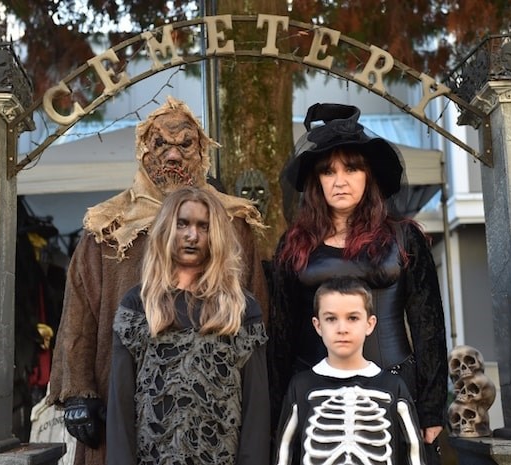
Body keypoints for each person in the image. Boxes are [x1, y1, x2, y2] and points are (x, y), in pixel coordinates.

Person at [47, 96, 268, 465]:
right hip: (115, 404)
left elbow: (256, 315)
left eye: (185, 145)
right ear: (142, 152)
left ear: (202, 153)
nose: (173, 156)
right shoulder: (108, 226)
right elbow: (78, 313)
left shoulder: (233, 224)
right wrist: (78, 391)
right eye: (160, 144)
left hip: (214, 411)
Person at [270, 102, 447, 464]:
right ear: (316, 181)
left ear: (368, 176)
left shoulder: (404, 238)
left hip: (396, 388)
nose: (340, 181)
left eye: (351, 168)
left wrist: (431, 410)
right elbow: (280, 334)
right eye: (328, 171)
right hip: (313, 392)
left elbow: (428, 326)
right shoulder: (294, 244)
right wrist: (277, 409)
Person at [107, 186, 270, 465]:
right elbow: (120, 407)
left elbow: (256, 410)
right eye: (182, 223)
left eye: (203, 226)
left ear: (215, 234)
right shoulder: (139, 305)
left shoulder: (239, 307)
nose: (192, 235)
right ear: (167, 228)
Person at [275, 276, 425, 465]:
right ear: (318, 325)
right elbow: (284, 452)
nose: (342, 329)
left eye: (352, 318)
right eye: (331, 319)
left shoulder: (393, 386)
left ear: (369, 324)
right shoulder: (301, 386)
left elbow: (414, 452)